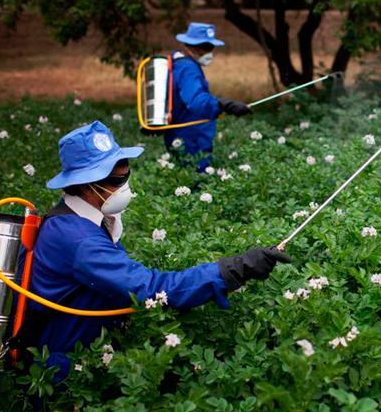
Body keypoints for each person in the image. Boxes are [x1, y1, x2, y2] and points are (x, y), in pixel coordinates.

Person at [16, 121, 290, 382]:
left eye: (127, 176)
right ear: (87, 184)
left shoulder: (77, 219)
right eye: (115, 180)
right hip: (63, 371)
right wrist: (233, 269)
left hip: (87, 353)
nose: (124, 187)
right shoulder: (80, 241)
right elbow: (149, 288)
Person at [162, 22, 251, 171]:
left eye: (210, 47)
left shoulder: (179, 63)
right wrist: (225, 105)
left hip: (187, 136)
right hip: (191, 139)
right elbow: (197, 101)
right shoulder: (187, 68)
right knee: (196, 180)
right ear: (189, 45)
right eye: (204, 47)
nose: (208, 52)